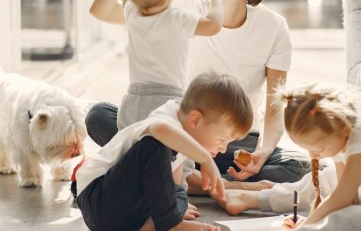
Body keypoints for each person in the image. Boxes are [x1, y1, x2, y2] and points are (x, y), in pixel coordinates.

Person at [86, 0, 309, 184]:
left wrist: (263, 152)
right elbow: (102, 11)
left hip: (234, 141)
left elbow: (276, 104)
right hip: (180, 133)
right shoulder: (180, 9)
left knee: (297, 166)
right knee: (98, 116)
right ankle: (208, 183)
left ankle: (170, 179)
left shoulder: (273, 26)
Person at [73, 73, 253, 231]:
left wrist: (175, 205)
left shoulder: (181, 138)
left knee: (179, 193)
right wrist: (205, 159)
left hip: (124, 216)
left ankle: (155, 223)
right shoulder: (167, 121)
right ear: (196, 119)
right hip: (98, 200)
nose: (224, 149)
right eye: (223, 140)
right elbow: (158, 129)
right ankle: (170, 225)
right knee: (154, 145)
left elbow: (172, 184)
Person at [220, 82, 361, 231]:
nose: (313, 156)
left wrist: (308, 224)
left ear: (342, 131)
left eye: (318, 150)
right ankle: (255, 197)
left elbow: (345, 199)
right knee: (324, 180)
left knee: (344, 219)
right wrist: (311, 220)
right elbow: (345, 195)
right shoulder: (341, 128)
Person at [111, 0, 223, 129]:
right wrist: (217, 2)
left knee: (130, 145)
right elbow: (213, 26)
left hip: (133, 99)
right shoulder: (178, 18)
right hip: (167, 99)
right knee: (173, 152)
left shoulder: (131, 14)